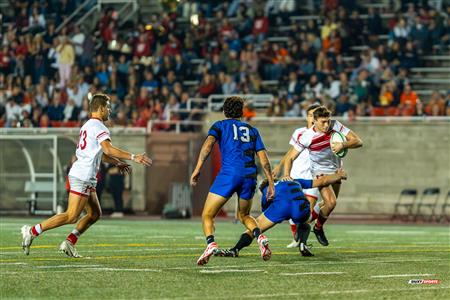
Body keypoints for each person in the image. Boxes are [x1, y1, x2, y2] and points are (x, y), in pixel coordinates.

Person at [21, 94, 152, 257]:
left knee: (95, 214)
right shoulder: (99, 127)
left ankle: (69, 242)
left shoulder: (87, 126)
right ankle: (32, 231)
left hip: (85, 176)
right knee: (71, 216)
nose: (110, 110)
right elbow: (108, 149)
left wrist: (117, 162)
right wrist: (134, 157)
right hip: (82, 176)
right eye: (108, 107)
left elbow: (101, 154)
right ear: (101, 108)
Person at [190, 96, 275, 266]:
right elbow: (264, 159)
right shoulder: (252, 130)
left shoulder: (219, 125)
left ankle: (210, 244)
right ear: (241, 112)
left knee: (207, 214)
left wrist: (197, 168)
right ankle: (260, 236)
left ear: (224, 111)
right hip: (250, 176)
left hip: (229, 175)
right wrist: (271, 183)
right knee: (244, 215)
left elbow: (207, 146)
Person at [215, 170, 348, 258]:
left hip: (281, 207)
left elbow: (265, 209)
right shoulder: (293, 180)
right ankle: (303, 243)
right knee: (305, 222)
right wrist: (339, 176)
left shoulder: (267, 189)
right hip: (300, 208)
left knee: (255, 226)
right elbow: (322, 182)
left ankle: (235, 249)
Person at [283, 106, 363, 246]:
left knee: (328, 204)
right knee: (331, 202)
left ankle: (307, 224)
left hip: (337, 169)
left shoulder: (335, 125)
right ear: (314, 121)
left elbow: (358, 141)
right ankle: (317, 228)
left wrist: (343, 145)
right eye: (323, 122)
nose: (326, 125)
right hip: (320, 172)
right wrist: (286, 175)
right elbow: (290, 158)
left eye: (328, 121)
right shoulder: (307, 137)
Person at [272, 104, 321, 248]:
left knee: (307, 212)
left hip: (312, 178)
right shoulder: (299, 132)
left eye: (316, 116)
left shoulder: (323, 135)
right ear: (307, 117)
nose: (313, 118)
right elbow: (290, 153)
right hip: (296, 176)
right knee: (293, 209)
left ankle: (303, 241)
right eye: (311, 115)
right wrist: (280, 166)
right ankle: (296, 238)